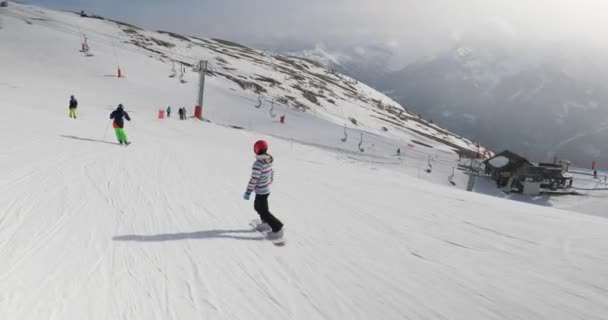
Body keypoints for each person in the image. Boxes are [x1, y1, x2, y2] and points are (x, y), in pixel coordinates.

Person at [243, 140, 283, 239]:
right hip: (266, 189)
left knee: (263, 210)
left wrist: (248, 192)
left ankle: (277, 226)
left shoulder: (258, 164)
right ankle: (265, 222)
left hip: (261, 191)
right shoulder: (268, 160)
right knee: (259, 207)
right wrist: (268, 184)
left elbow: (254, 179)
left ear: (256, 150)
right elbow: (271, 173)